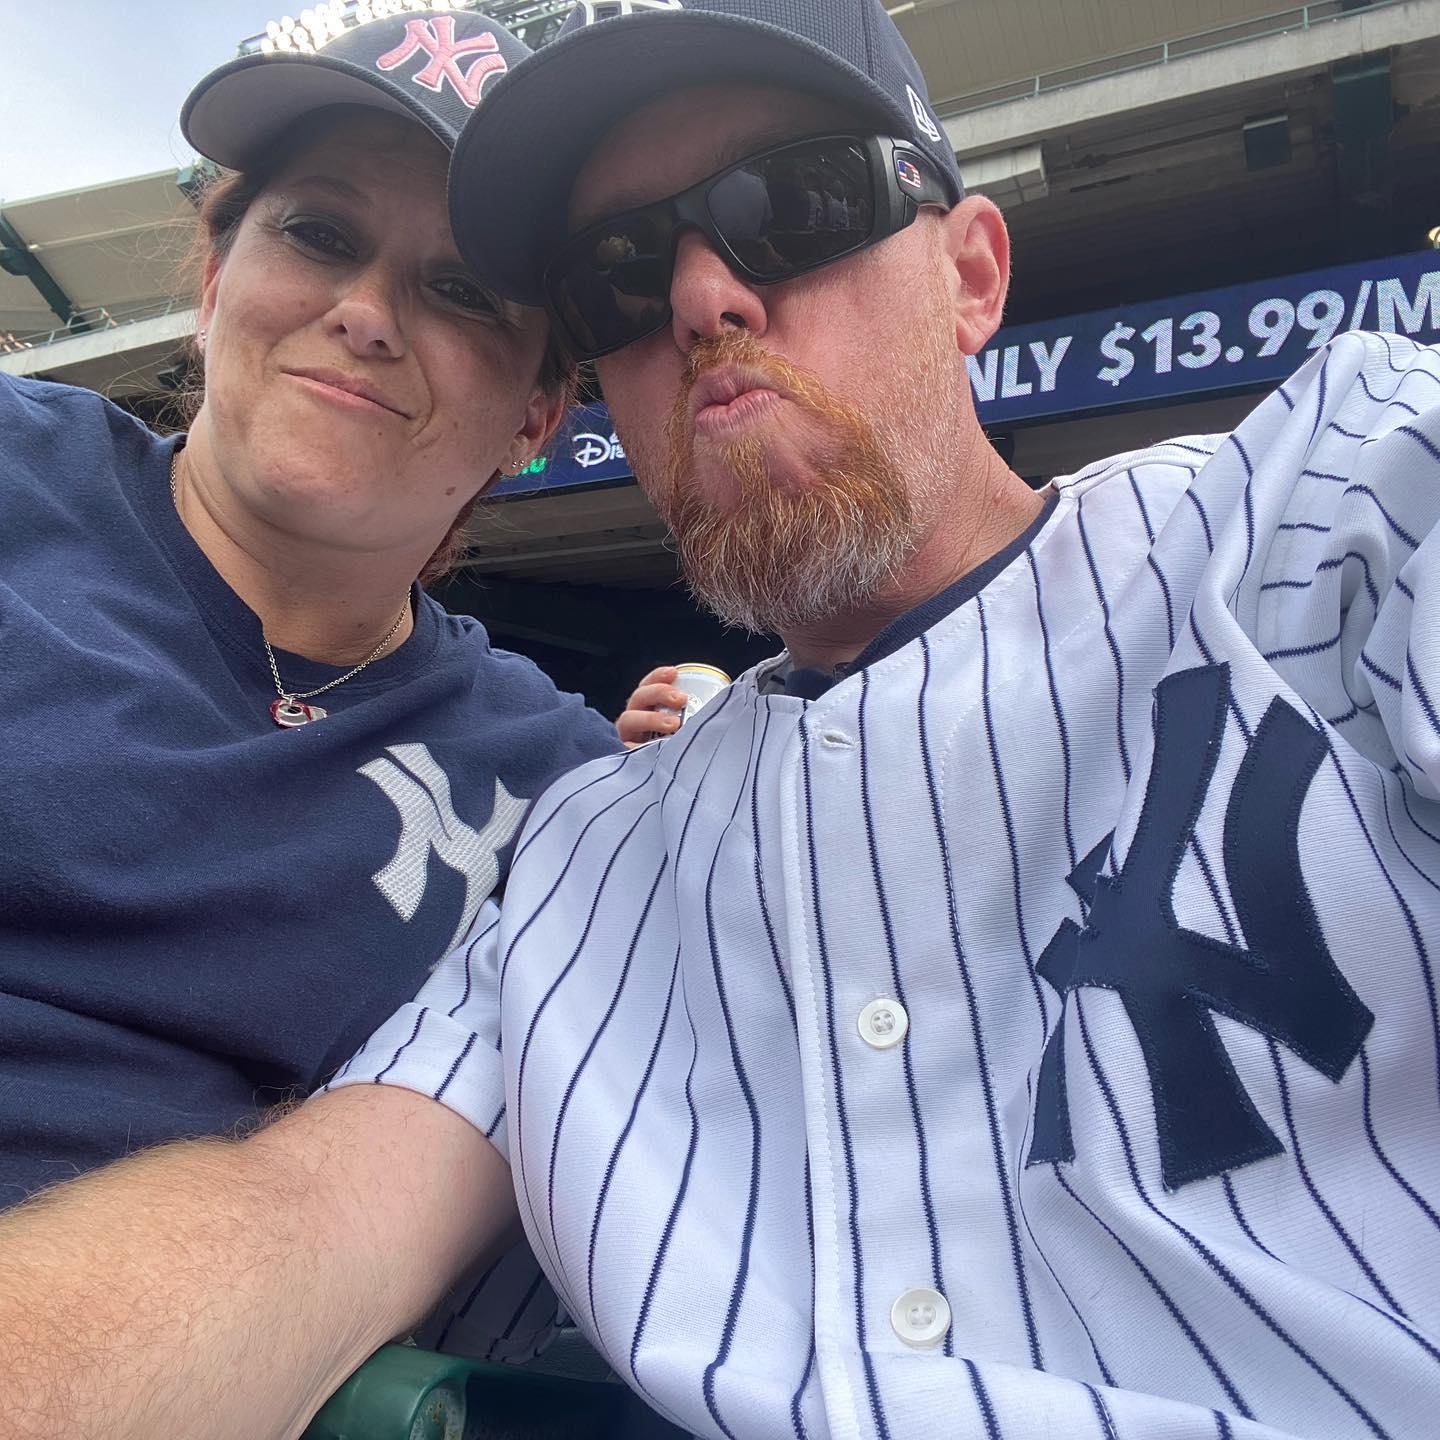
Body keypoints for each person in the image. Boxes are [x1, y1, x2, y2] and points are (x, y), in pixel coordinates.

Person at [4, 1, 1439, 1437]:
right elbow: (308, 1219)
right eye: (622, 272)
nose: (701, 299)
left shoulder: (1341, 501)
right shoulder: (586, 852)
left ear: (972, 274)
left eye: (797, 204)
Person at [0, 10, 625, 1209]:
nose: (370, 312)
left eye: (464, 289)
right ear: (216, 277)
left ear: (539, 419)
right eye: (321, 233)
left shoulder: (561, 790)